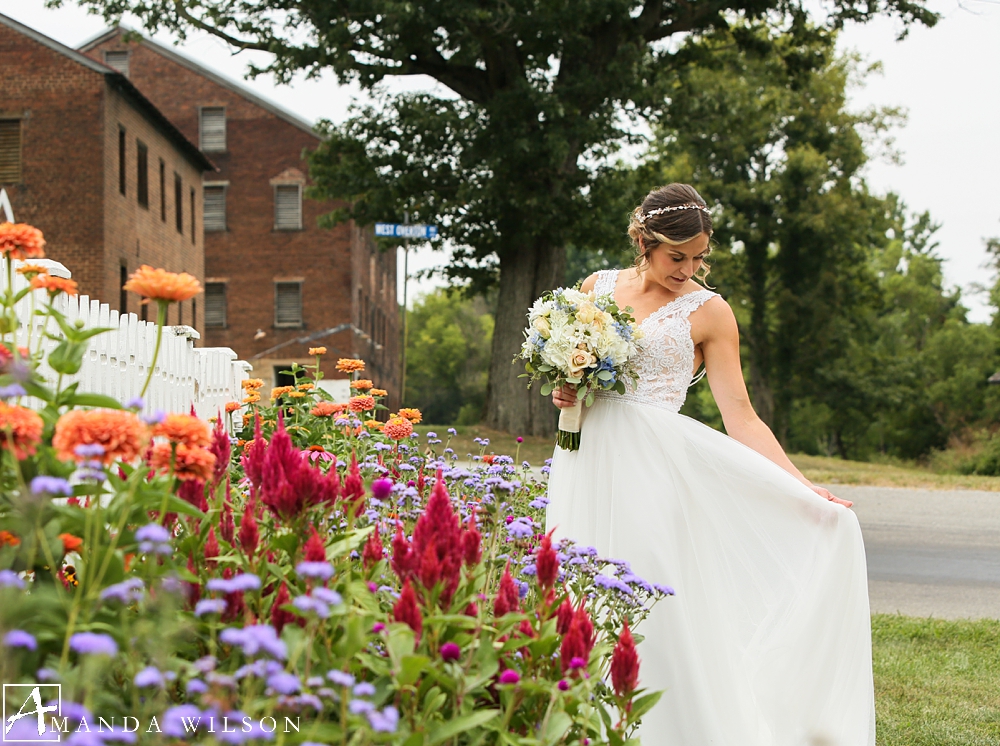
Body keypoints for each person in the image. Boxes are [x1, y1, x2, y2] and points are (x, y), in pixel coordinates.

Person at [545, 183, 875, 746]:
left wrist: (802, 488)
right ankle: (582, 727)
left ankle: (668, 730)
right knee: (578, 584)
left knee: (645, 591)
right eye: (678, 256)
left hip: (655, 470)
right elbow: (570, 374)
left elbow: (741, 416)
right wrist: (564, 388)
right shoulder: (595, 289)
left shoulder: (711, 311)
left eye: (699, 257)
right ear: (643, 242)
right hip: (584, 459)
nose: (689, 268)